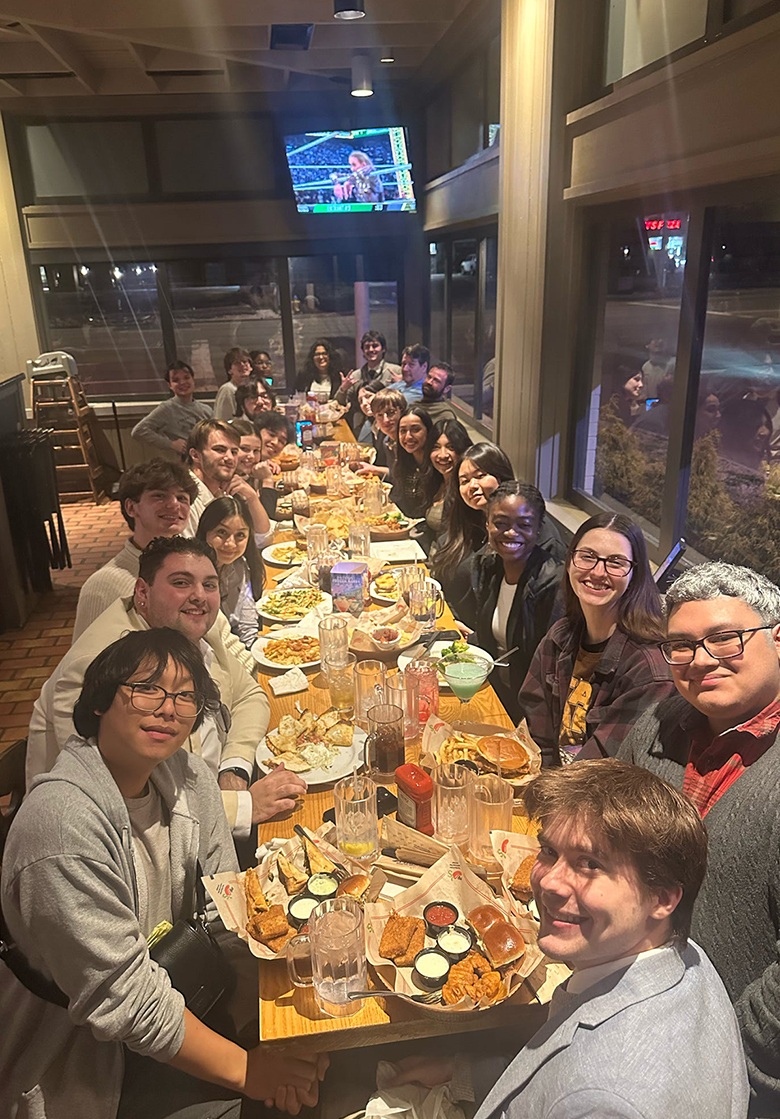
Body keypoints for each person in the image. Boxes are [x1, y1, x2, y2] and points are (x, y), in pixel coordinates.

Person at [1, 629, 326, 1119]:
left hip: (184, 997)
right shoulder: (64, 831)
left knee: (322, 1052)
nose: (168, 708)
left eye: (185, 695)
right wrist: (253, 1069)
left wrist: (276, 1029)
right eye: (147, 688)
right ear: (99, 702)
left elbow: (227, 913)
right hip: (90, 1070)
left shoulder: (188, 780)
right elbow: (125, 1001)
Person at [465, 760, 748, 1119]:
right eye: (549, 851)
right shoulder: (689, 957)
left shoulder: (606, 1102)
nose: (550, 882)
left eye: (590, 864)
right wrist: (462, 1077)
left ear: (661, 899)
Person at [617, 562, 780, 1115]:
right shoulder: (664, 721)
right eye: (682, 645)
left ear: (777, 638)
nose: (702, 659)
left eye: (725, 638)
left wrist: (715, 1046)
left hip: (731, 1072)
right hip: (624, 999)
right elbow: (608, 820)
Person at [28, 536, 305, 836]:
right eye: (181, 583)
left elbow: (249, 695)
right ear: (142, 592)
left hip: (208, 805)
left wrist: (234, 768)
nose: (199, 596)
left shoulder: (190, 631)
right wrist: (243, 805)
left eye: (209, 585)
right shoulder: (102, 664)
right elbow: (119, 799)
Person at [518, 512, 674, 768]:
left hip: (601, 799)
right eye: (587, 557)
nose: (598, 571)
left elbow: (604, 766)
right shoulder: (561, 635)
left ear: (634, 574)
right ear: (569, 562)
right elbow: (537, 734)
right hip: (551, 785)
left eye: (615, 562)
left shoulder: (649, 670)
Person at [432, 443, 565, 625]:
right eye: (464, 481)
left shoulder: (535, 536)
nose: (472, 486)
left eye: (480, 476)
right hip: (451, 624)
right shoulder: (467, 523)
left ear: (501, 476)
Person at [466, 482, 564, 721]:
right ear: (487, 524)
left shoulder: (554, 584)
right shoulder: (487, 567)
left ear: (539, 529)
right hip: (493, 692)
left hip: (530, 711)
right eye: (500, 523)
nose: (511, 533)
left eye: (524, 525)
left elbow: (550, 670)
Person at [74, 459, 197, 639]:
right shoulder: (102, 587)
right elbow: (85, 661)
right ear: (131, 507)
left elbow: (218, 632)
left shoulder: (193, 567)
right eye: (159, 496)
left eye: (182, 498)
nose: (174, 504)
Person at [185, 419, 272, 548]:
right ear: (195, 455)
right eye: (220, 450)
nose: (230, 458)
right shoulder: (185, 500)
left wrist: (252, 497)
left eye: (234, 452)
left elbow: (262, 539)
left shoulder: (222, 491)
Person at [196, 495, 264, 650]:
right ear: (206, 531)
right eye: (221, 532)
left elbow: (247, 619)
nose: (230, 543)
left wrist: (253, 648)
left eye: (240, 535)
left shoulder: (239, 566)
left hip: (237, 648)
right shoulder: (195, 577)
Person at [130, 361, 212, 457]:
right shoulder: (167, 409)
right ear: (170, 385)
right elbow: (138, 431)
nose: (182, 382)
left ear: (193, 380)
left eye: (186, 378)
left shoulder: (207, 410)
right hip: (184, 463)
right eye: (176, 380)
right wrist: (171, 444)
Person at [336, 330, 401, 433]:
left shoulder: (395, 371)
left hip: (388, 426)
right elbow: (339, 405)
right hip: (361, 426)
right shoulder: (355, 376)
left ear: (383, 349)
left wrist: (402, 384)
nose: (371, 350)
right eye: (367, 347)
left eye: (375, 346)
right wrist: (343, 389)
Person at [426, 419, 473, 544]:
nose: (442, 455)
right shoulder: (436, 481)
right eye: (436, 447)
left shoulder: (466, 490)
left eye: (450, 447)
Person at [390, 406, 437, 519]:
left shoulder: (437, 465)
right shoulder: (404, 463)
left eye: (415, 430)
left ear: (428, 431)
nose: (408, 436)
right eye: (403, 431)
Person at [357, 386, 407, 478]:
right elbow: (395, 474)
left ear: (402, 412)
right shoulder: (387, 441)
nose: (386, 419)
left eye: (391, 412)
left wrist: (375, 470)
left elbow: (407, 476)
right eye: (380, 415)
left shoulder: (407, 441)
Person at [214, 348, 252, 421]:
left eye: (245, 362)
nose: (242, 365)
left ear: (251, 367)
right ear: (229, 370)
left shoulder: (251, 389)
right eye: (237, 363)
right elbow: (223, 421)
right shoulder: (227, 389)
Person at [354, 377, 385, 444]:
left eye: (368, 396)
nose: (364, 403)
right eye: (360, 401)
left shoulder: (389, 423)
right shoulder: (371, 423)